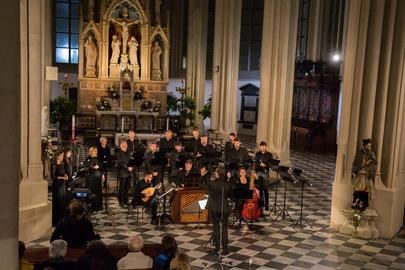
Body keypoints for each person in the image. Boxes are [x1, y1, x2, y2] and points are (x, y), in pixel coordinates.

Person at [206, 167, 232, 255]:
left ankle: (217, 248)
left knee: (216, 228)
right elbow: (230, 194)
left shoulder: (212, 184)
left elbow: (206, 189)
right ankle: (225, 248)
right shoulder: (227, 184)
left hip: (214, 208)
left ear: (217, 174)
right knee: (224, 228)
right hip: (224, 208)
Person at [352, 138, 377, 210]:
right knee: (358, 188)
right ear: (364, 145)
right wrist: (356, 170)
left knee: (365, 189)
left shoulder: (371, 154)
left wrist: (368, 169)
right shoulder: (359, 153)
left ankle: (364, 203)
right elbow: (356, 163)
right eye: (368, 146)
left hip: (366, 175)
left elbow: (374, 163)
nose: (369, 147)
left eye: (370, 146)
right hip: (360, 174)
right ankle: (356, 202)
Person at [254, 141, 273, 211]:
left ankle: (267, 206)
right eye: (261, 146)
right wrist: (255, 172)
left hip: (265, 173)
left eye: (263, 146)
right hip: (258, 172)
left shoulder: (269, 154)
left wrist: (265, 165)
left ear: (266, 147)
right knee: (259, 190)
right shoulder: (257, 154)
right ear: (259, 147)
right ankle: (260, 205)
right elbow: (255, 163)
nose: (262, 148)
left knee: (265, 190)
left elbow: (271, 165)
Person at [84, 147, 103, 211]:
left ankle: (98, 206)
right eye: (95, 151)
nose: (96, 152)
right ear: (91, 151)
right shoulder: (88, 158)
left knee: (98, 191)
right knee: (91, 192)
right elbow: (86, 167)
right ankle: (91, 206)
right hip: (91, 178)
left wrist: (102, 175)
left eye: (96, 151)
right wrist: (93, 167)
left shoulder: (98, 158)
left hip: (97, 178)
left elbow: (101, 167)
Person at [52, 151, 68, 226]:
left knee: (63, 202)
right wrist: (62, 177)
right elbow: (53, 177)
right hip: (57, 186)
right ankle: (56, 221)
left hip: (62, 185)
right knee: (57, 202)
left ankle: (62, 219)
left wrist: (65, 175)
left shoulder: (62, 164)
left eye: (62, 156)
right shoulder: (54, 165)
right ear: (57, 156)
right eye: (61, 156)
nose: (62, 157)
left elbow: (63, 172)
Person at [116, 141, 133, 208]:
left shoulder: (129, 153)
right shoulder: (118, 153)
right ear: (120, 146)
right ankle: (121, 201)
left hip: (129, 173)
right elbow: (120, 163)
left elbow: (132, 161)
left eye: (126, 145)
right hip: (122, 173)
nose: (125, 146)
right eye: (123, 145)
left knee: (127, 188)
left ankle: (126, 201)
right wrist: (127, 167)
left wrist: (132, 166)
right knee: (122, 189)